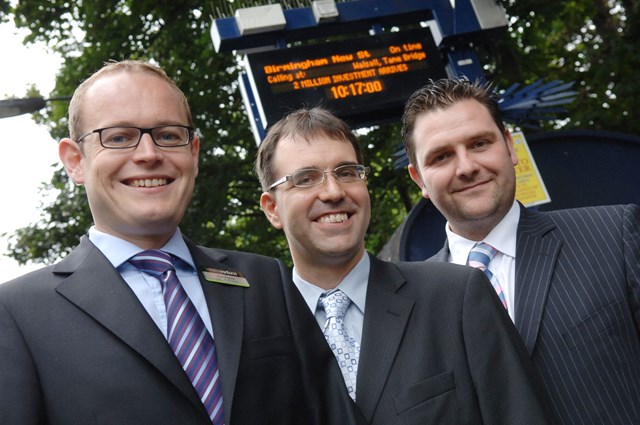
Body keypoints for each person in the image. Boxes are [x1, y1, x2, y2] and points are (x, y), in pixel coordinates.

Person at [0, 60, 356, 425]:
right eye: (119, 137)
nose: (149, 154)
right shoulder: (15, 314)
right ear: (75, 161)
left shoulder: (266, 280)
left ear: (194, 153)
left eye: (169, 135)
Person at [256, 106, 556, 425]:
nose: (333, 192)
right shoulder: (257, 340)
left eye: (346, 172)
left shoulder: (456, 295)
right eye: (306, 179)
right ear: (272, 209)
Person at [402, 77, 640, 425]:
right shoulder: (409, 304)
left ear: (510, 148)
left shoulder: (612, 234)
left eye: (480, 143)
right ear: (419, 179)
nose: (467, 167)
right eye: (442, 156)